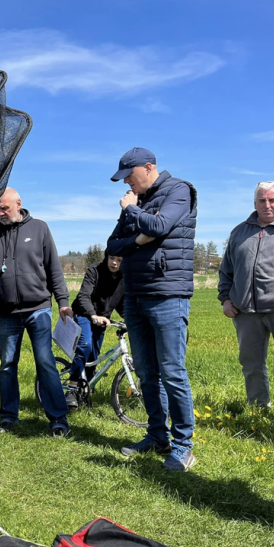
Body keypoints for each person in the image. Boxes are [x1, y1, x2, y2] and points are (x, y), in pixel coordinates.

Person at [107, 147, 197, 471]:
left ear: (148, 167)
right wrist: (137, 240)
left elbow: (159, 226)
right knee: (146, 372)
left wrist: (134, 214)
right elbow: (112, 244)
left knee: (172, 372)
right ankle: (157, 435)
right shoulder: (136, 201)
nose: (126, 185)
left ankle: (183, 445)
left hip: (168, 295)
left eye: (129, 176)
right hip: (135, 294)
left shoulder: (179, 191)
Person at [0, 188, 73, 437]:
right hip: (6, 313)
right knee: (7, 365)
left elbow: (54, 267)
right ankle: (8, 417)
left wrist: (63, 301)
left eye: (5, 208)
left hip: (38, 309)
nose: (0, 213)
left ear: (18, 204)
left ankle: (58, 420)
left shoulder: (40, 229)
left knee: (45, 362)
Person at [218, 181, 274, 425]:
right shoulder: (239, 232)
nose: (267, 205)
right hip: (245, 311)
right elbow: (226, 270)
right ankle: (258, 410)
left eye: (272, 200)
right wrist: (225, 299)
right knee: (251, 364)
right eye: (262, 200)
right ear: (255, 203)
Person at [66, 254, 124, 409]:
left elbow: (121, 304)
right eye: (112, 258)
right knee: (85, 345)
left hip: (102, 320)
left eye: (119, 260)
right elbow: (83, 296)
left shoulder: (123, 278)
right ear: (106, 257)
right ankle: (71, 388)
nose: (114, 262)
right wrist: (93, 315)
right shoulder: (95, 271)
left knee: (93, 357)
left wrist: (131, 320)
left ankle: (84, 392)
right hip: (84, 314)